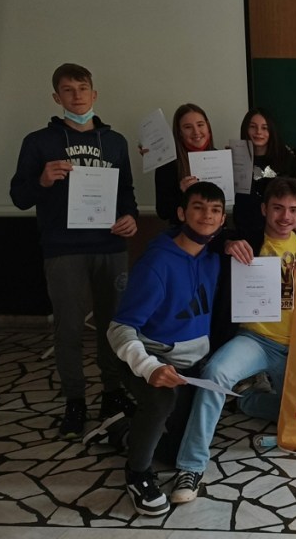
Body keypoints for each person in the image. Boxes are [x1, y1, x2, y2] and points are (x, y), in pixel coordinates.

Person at [172, 177, 296, 504]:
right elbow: (203, 238)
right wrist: (226, 244)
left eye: (293, 210)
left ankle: (247, 401)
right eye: (278, 208)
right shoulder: (245, 239)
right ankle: (190, 466)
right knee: (215, 374)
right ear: (264, 209)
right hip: (254, 339)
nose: (285, 217)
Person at [10, 63, 139, 440]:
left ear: (94, 94)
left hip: (110, 245)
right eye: (68, 90)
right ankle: (75, 400)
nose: (77, 96)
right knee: (68, 327)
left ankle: (112, 392)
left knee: (113, 326)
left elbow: (126, 191)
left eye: (83, 89)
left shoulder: (115, 142)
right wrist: (42, 180)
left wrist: (130, 217)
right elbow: (19, 197)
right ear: (57, 97)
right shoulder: (38, 142)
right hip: (63, 248)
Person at [104, 182, 226, 516]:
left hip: (190, 366)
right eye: (198, 207)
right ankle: (137, 474)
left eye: (215, 210)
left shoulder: (214, 258)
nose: (207, 216)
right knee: (161, 402)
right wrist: (150, 367)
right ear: (182, 213)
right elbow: (119, 329)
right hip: (151, 360)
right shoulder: (157, 262)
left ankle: (122, 430)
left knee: (175, 454)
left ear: (222, 219)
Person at [233, 108, 296, 239]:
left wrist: (295, 226)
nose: (258, 132)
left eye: (264, 128)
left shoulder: (286, 158)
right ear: (245, 129)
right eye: (253, 127)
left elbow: (294, 196)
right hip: (245, 229)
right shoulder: (235, 157)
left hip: (279, 229)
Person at [153, 104, 213, 225]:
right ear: (179, 132)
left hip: (217, 232)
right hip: (182, 233)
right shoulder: (167, 164)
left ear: (208, 127)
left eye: (200, 125)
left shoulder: (219, 157)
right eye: (188, 127)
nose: (196, 132)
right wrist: (183, 194)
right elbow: (163, 212)